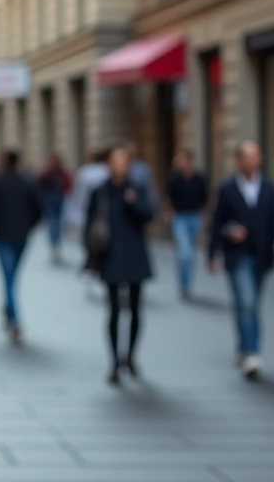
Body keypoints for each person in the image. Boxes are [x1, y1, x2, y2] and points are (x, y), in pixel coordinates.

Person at [208, 140, 274, 381]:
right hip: (237, 254)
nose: (251, 161)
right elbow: (217, 223)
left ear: (260, 159)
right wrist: (214, 251)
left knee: (251, 304)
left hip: (262, 254)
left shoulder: (269, 187)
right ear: (238, 160)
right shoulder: (227, 188)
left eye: (255, 156)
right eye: (246, 156)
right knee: (246, 301)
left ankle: (244, 346)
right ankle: (252, 353)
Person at [84, 145, 154, 385]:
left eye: (124, 161)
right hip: (110, 256)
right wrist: (90, 255)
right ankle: (114, 361)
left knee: (135, 310)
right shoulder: (100, 191)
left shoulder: (137, 188)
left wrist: (134, 203)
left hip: (135, 256)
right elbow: (90, 223)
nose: (120, 165)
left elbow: (149, 215)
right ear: (108, 164)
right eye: (116, 160)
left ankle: (131, 356)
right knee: (113, 310)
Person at [0, 150, 43, 342]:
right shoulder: (28, 183)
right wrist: (28, 227)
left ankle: (14, 318)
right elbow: (39, 210)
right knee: (12, 276)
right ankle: (10, 313)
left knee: (9, 278)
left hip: (3, 236)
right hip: (21, 237)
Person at [165, 148, 209, 300]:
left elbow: (204, 197)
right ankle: (183, 285)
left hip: (194, 217)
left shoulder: (198, 178)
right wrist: (169, 213)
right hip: (180, 218)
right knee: (185, 253)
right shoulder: (174, 178)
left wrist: (203, 215)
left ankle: (187, 284)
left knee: (190, 254)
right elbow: (168, 197)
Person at [36, 151, 72, 265]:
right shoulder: (50, 173)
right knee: (54, 223)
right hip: (51, 200)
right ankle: (55, 246)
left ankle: (56, 246)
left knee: (55, 223)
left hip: (56, 199)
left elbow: (67, 184)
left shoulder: (57, 172)